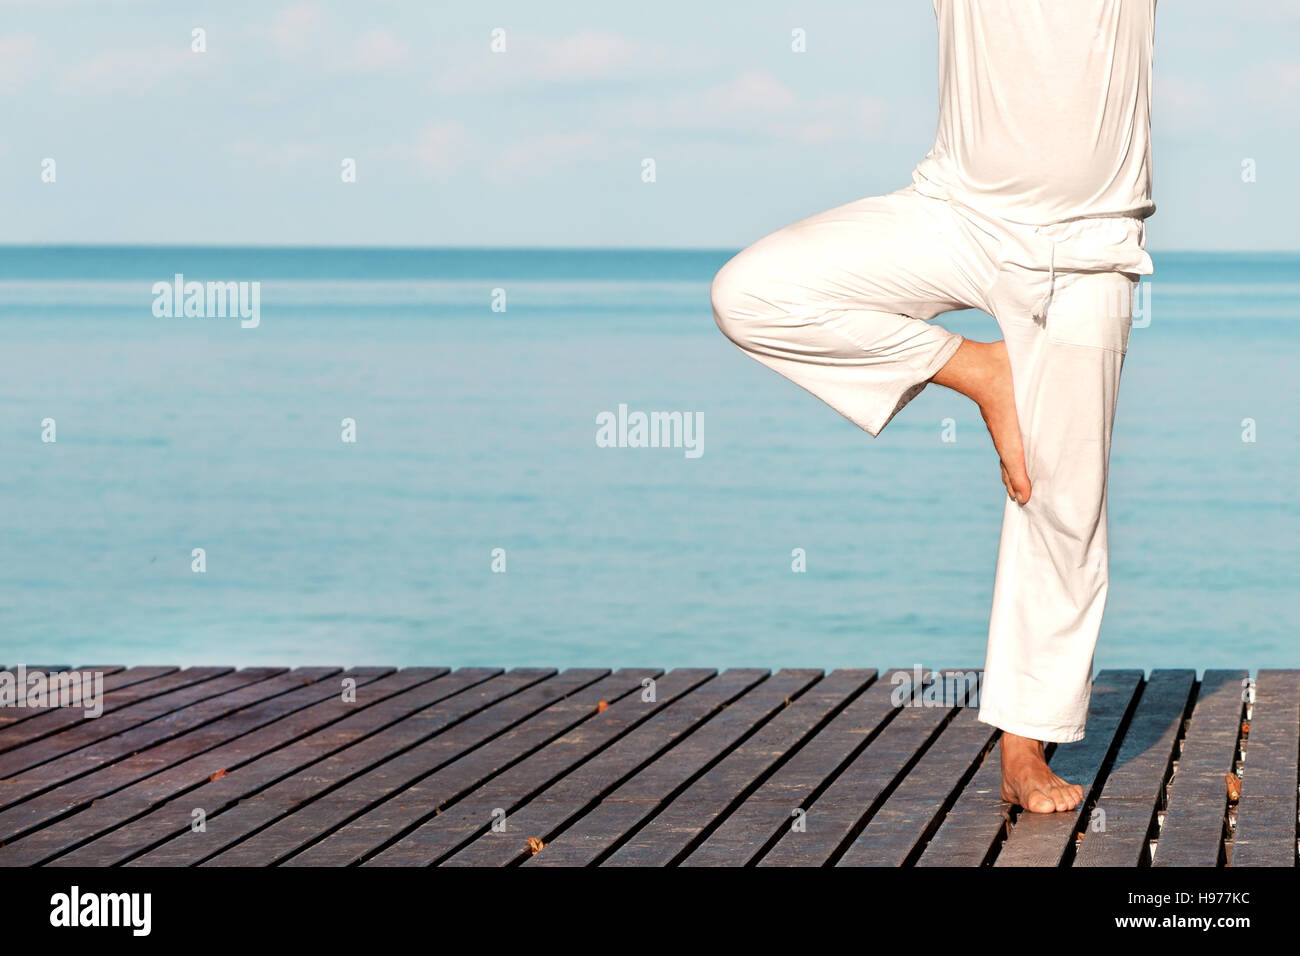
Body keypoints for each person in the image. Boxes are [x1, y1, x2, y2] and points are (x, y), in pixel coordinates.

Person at [710, 0, 1156, 813]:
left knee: (1061, 503)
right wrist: (957, 361)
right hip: (956, 215)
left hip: (1090, 250)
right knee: (752, 293)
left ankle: (1024, 747)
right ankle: (978, 372)